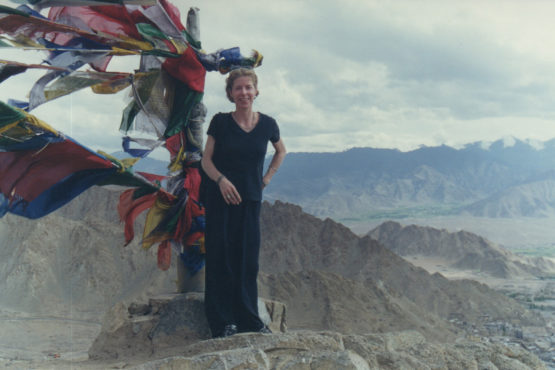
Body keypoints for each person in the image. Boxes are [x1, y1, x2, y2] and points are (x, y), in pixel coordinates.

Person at [200, 68, 287, 338]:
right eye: (238, 88)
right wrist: (221, 181)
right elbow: (206, 160)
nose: (244, 93)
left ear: (256, 91)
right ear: (230, 94)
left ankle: (249, 320)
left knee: (247, 262)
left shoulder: (268, 124)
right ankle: (222, 323)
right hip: (220, 199)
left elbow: (281, 150)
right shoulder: (220, 122)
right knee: (220, 259)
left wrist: (268, 177)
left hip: (250, 199)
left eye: (248, 87)